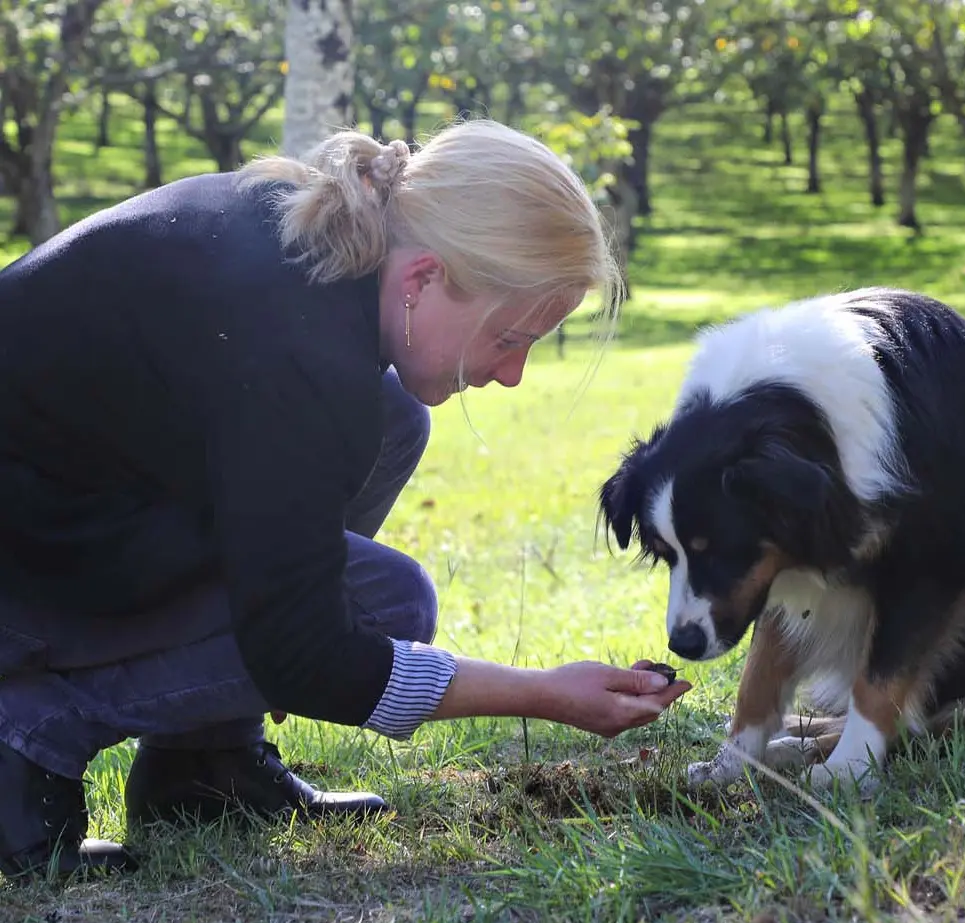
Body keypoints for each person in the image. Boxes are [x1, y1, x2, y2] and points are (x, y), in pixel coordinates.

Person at [0, 118, 691, 878]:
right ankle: (30, 728)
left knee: (396, 421)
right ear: (424, 278)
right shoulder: (300, 359)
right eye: (508, 337)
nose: (511, 375)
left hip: (58, 510)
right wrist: (543, 694)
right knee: (386, 605)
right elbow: (309, 655)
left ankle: (205, 760)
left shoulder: (297, 240)